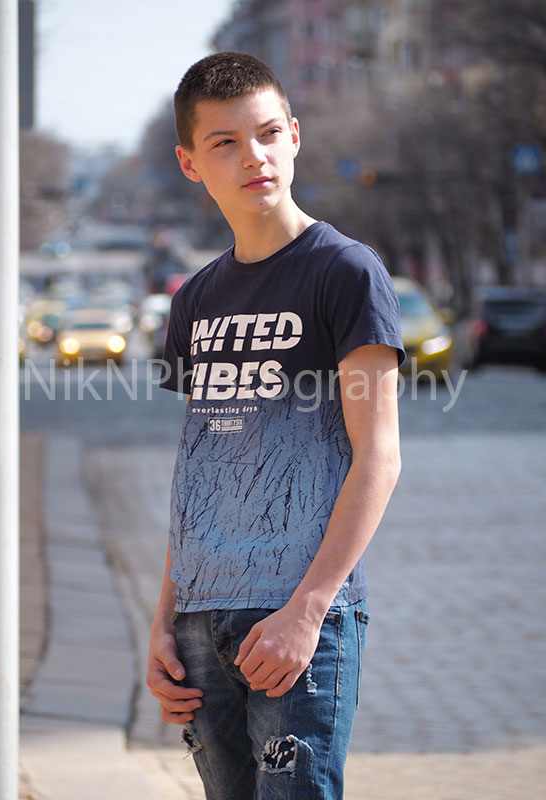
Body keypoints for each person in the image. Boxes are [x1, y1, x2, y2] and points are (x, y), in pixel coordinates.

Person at [146, 51, 405, 800]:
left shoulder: (346, 272)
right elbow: (201, 466)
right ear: (190, 164)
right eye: (225, 142)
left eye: (266, 133)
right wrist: (163, 620)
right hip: (200, 620)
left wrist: (309, 610)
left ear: (293, 135)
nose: (253, 156)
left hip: (296, 617)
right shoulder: (195, 299)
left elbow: (379, 457)